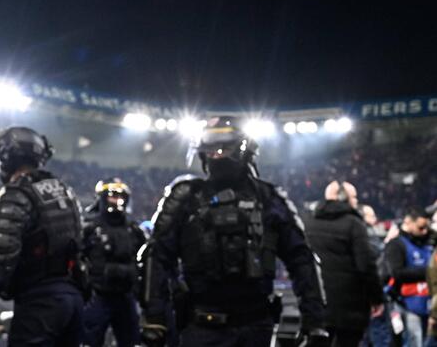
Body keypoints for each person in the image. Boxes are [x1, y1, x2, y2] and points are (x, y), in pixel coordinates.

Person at [139, 116, 328, 347]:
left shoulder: (268, 198)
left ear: (243, 149)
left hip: (255, 325)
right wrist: (154, 318)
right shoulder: (185, 197)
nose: (218, 155)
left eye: (224, 149)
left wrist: (314, 320)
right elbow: (156, 255)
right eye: (212, 150)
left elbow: (302, 258)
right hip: (202, 325)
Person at [0, 126, 84, 346]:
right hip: (73, 299)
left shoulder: (16, 194)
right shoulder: (65, 190)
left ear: (8, 159)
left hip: (39, 305)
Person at [304, 181, 383, 347]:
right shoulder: (354, 224)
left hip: (318, 302)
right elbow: (366, 265)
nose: (356, 201)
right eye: (354, 196)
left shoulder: (310, 223)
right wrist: (376, 298)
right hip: (351, 307)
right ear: (341, 197)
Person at [80, 178, 146, 347]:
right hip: (97, 297)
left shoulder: (134, 230)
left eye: (120, 197)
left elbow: (145, 262)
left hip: (125, 297)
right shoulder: (90, 229)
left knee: (131, 342)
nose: (117, 201)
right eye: (112, 196)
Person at [384, 208, 433, 347]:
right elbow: (397, 273)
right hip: (405, 304)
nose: (424, 231)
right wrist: (429, 272)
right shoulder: (396, 244)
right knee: (413, 341)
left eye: (426, 227)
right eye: (421, 227)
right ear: (408, 223)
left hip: (427, 304)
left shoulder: (426, 244)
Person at [360, 204, 393, 347]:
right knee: (379, 335)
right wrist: (388, 242)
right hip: (372, 295)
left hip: (362, 296)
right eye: (371, 215)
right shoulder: (364, 235)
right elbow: (377, 259)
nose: (375, 218)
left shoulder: (365, 234)